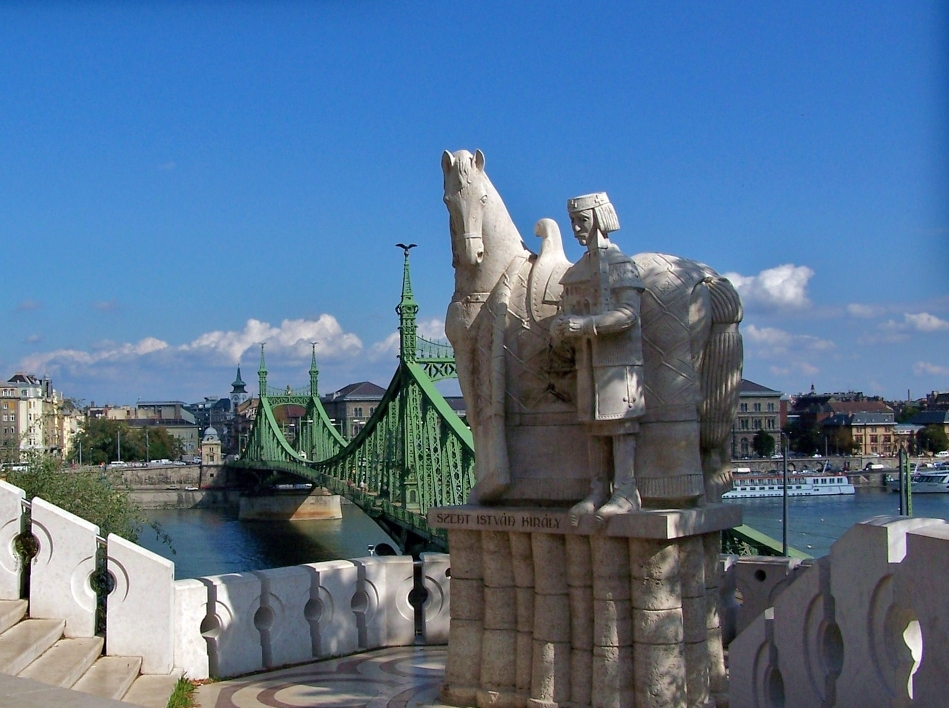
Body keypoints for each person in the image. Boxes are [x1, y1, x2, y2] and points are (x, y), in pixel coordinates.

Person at [551, 192, 645, 525]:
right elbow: (568, 310)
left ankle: (627, 489)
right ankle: (597, 488)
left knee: (619, 424)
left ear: (600, 221)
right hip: (587, 360)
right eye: (573, 222)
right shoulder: (580, 270)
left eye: (583, 221)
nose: (576, 228)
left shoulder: (620, 265)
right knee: (592, 424)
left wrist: (586, 324)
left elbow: (628, 315)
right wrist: (560, 326)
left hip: (617, 363)